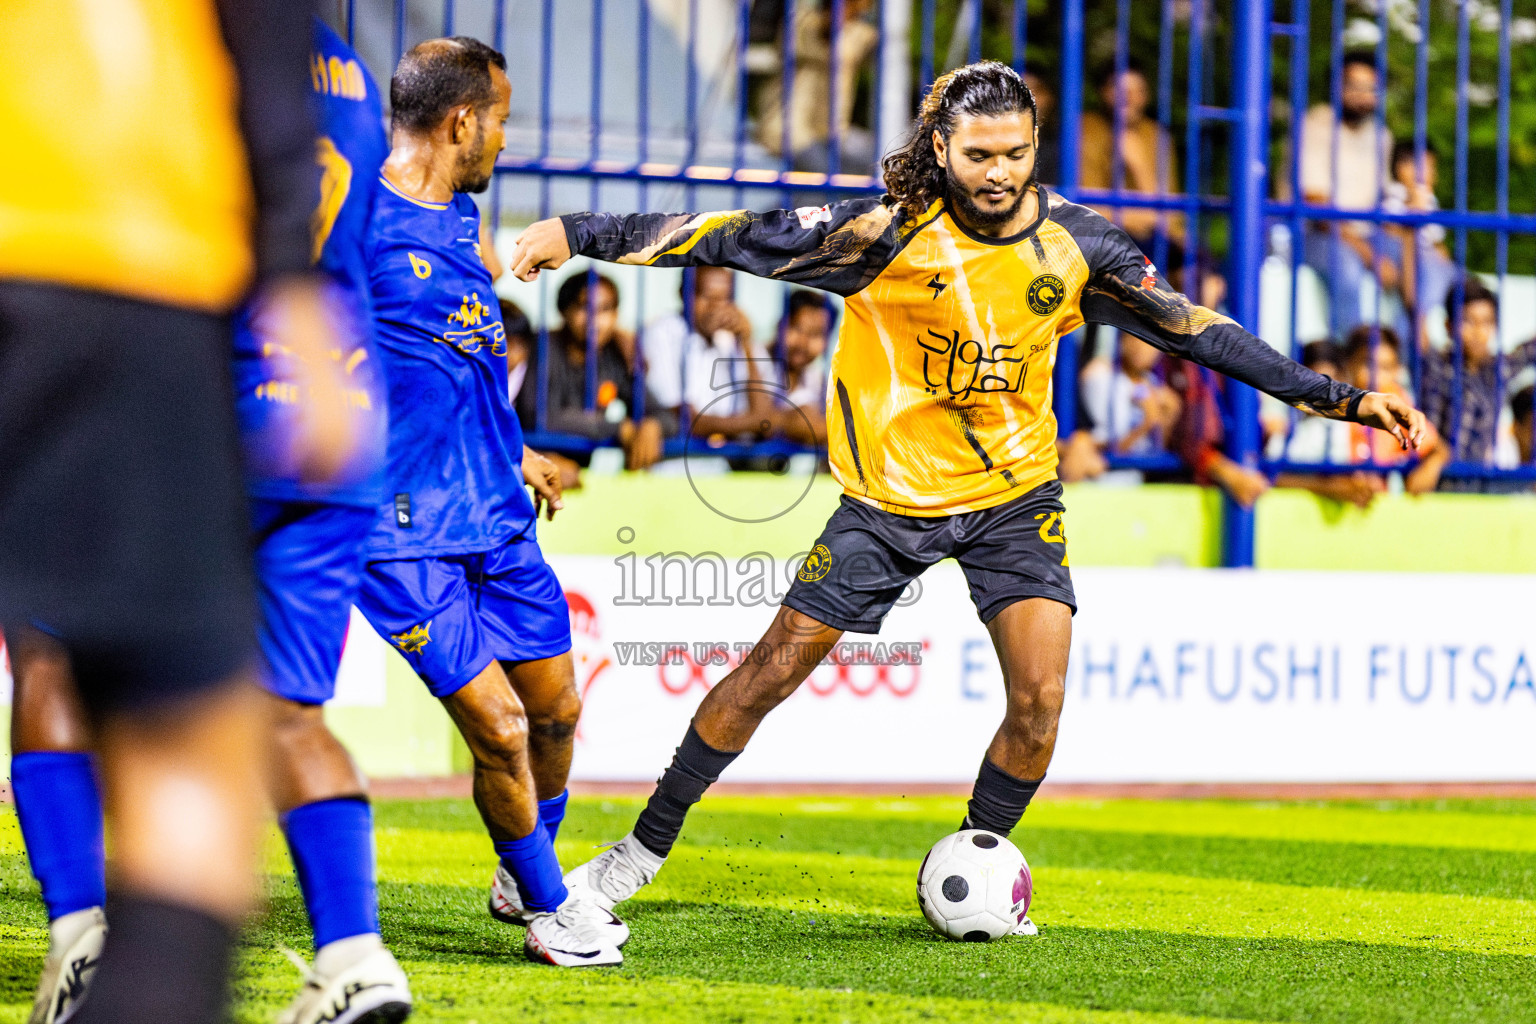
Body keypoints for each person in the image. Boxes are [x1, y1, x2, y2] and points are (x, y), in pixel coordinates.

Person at [508, 61, 1426, 940]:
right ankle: (635, 855)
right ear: (941, 147)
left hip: (1016, 500)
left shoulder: (1082, 245)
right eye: (979, 155)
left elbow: (1199, 332)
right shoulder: (880, 233)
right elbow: (731, 234)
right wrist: (578, 232)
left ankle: (981, 853)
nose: (999, 173)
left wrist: (1339, 397)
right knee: (769, 674)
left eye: (1016, 153)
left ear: (1036, 146)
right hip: (887, 502)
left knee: (1041, 701)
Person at [8, 19, 415, 1024]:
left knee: (54, 662)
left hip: (167, 362)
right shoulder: (354, 73)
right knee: (263, 717)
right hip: (332, 395)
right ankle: (355, 952)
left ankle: (82, 936)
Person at [355, 36, 623, 967]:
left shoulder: (465, 223)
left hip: (497, 521)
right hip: (398, 536)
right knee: (500, 729)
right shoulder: (352, 222)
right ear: (462, 120)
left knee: (554, 712)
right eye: (501, 119)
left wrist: (521, 459)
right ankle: (554, 912)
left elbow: (464, 368)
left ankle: (524, 871)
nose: (506, 138)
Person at [1293, 53, 1398, 337]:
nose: (1362, 96)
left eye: (1371, 88)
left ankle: (1404, 367)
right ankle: (1351, 363)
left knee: (1415, 267)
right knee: (1348, 270)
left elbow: (1383, 203)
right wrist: (1371, 256)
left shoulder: (1381, 135)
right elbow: (1318, 209)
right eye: (1354, 86)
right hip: (1314, 235)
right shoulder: (1314, 125)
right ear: (1336, 87)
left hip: (1367, 234)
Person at [514, 273, 665, 470]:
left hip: (577, 475)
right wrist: (616, 428)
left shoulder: (615, 356)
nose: (596, 320)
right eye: (585, 308)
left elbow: (664, 415)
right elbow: (539, 417)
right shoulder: (543, 347)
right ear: (564, 310)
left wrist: (653, 425)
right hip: (526, 467)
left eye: (605, 309)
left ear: (616, 315)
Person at [644, 266, 777, 443]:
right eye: (707, 297)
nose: (716, 307)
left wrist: (745, 342)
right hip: (672, 462)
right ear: (683, 294)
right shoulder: (662, 333)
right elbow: (684, 419)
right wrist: (755, 423)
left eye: (724, 298)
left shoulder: (737, 339)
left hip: (725, 464)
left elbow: (765, 416)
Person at [1421, 279, 1536, 476]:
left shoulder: (1496, 370)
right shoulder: (1436, 365)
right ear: (1449, 326)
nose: (1478, 332)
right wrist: (1438, 455)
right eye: (1468, 321)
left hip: (1477, 484)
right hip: (1437, 479)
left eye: (1487, 322)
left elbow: (1529, 349)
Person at [755, 0, 880, 174]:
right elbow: (823, 40)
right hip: (790, 129)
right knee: (824, 177)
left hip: (831, 131)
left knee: (881, 159)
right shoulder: (803, 22)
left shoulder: (857, 32)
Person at [1078, 63, 1183, 257]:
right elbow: (1084, 209)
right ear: (1102, 92)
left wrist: (1139, 165)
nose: (1128, 98)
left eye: (1138, 90)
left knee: (1207, 281)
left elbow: (1171, 217)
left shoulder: (1157, 135)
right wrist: (1150, 217)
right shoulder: (1084, 129)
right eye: (1119, 89)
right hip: (1100, 239)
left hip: (1153, 240)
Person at [1079, 332, 1182, 481]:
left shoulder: (1153, 383)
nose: (1141, 347)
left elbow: (1156, 451)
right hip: (1103, 484)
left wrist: (1168, 418)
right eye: (1135, 338)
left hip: (1137, 483)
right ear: (1123, 340)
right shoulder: (1100, 375)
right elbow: (1102, 448)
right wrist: (1147, 422)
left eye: (1150, 342)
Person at [1383, 138, 1456, 331]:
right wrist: (1412, 208)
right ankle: (1414, 326)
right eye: (1427, 167)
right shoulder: (1395, 194)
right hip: (1409, 257)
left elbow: (1436, 238)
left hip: (1427, 257)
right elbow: (1390, 228)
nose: (1433, 175)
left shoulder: (1430, 199)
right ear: (1403, 169)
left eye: (1433, 168)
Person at [761, 290, 833, 446]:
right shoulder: (755, 360)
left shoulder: (817, 381)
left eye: (816, 334)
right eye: (797, 329)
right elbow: (762, 421)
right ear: (781, 325)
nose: (803, 342)